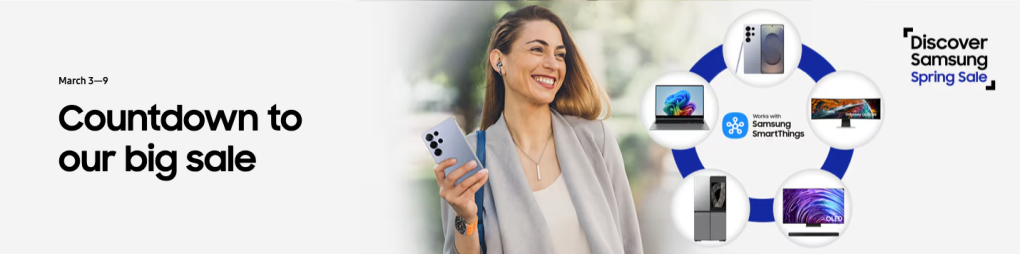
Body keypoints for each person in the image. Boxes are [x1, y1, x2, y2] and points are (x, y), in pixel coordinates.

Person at [433, 5, 643, 254]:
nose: (552, 63)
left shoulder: (596, 141)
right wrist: (466, 219)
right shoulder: (471, 157)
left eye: (560, 54)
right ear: (499, 61)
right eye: (537, 49)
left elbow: (630, 242)